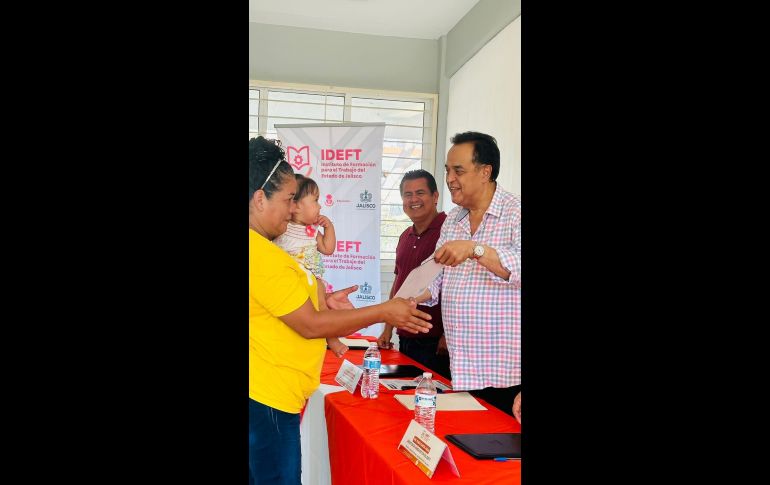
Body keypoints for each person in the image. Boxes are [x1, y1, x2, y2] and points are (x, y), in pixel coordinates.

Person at [249, 136, 432, 485]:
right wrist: (384, 312)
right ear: (260, 199)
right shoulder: (263, 255)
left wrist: (327, 303)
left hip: (270, 393)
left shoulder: (264, 249)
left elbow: (292, 311)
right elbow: (310, 324)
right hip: (268, 398)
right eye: (289, 200)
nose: (292, 209)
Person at [416, 131, 520, 417]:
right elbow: (435, 277)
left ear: (485, 172)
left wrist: (476, 249)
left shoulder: (516, 213)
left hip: (507, 377)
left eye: (458, 170)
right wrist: (408, 299)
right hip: (462, 368)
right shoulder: (453, 220)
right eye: (448, 170)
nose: (449, 178)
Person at [376, 170, 451, 379]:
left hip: (436, 342)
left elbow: (461, 288)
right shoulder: (405, 236)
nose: (414, 199)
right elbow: (397, 285)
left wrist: (448, 335)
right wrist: (387, 328)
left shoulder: (450, 232)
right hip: (406, 336)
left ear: (435, 197)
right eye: (408, 194)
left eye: (420, 192)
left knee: (434, 404)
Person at [274, 174, 347, 358]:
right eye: (315, 200)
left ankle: (332, 339)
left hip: (313, 281)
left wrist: (328, 228)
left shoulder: (312, 230)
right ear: (295, 205)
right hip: (291, 281)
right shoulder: (281, 228)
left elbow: (328, 249)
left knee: (322, 308)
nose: (320, 206)